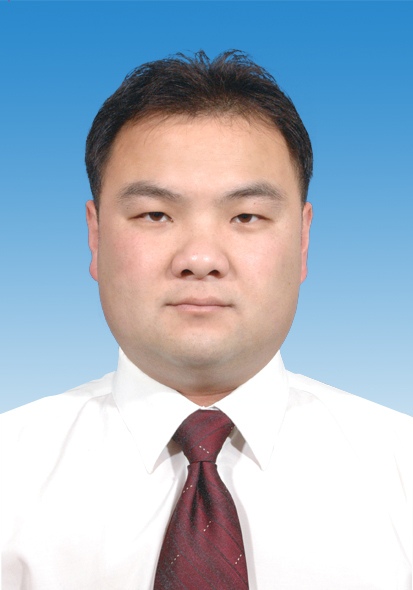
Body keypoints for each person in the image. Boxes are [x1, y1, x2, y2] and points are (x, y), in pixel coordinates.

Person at [1, 49, 411, 590]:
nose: (199, 258)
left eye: (246, 216)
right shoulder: (10, 472)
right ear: (95, 236)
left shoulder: (401, 470)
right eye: (155, 214)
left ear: (303, 239)